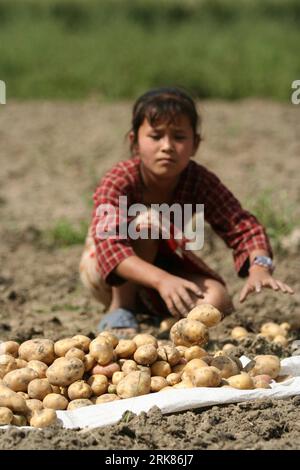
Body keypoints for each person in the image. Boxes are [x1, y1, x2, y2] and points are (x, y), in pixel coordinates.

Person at [79, 87, 294, 337]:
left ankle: (166, 318)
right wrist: (161, 280)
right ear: (134, 142)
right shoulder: (119, 179)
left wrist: (260, 265)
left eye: (179, 137)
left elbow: (241, 225)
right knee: (145, 222)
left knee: (217, 300)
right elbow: (110, 246)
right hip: (108, 274)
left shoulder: (199, 181)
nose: (167, 146)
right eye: (156, 136)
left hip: (165, 272)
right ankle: (121, 308)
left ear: (195, 144)